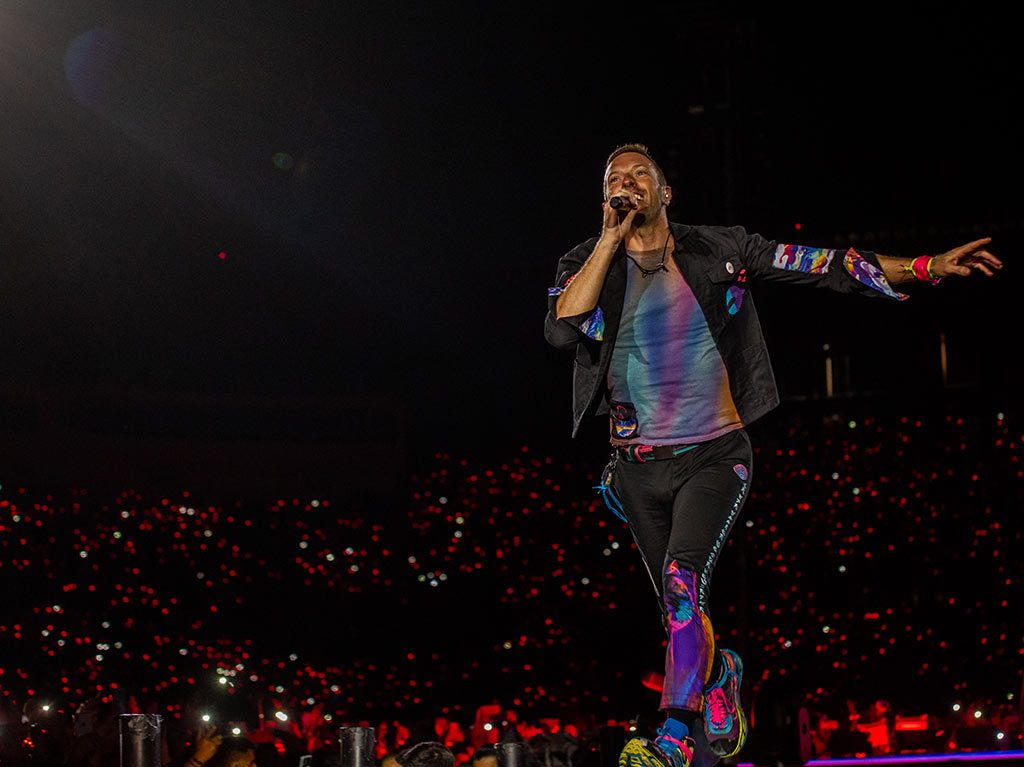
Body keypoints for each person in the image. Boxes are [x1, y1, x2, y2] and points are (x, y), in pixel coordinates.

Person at [543, 144, 1001, 767]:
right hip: (635, 469)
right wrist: (607, 239)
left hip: (713, 455)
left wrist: (927, 266)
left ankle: (673, 739)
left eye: (638, 176)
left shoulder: (719, 249)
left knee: (682, 586)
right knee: (682, 608)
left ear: (665, 193)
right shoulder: (584, 261)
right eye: (613, 179)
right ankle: (717, 677)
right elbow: (563, 327)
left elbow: (825, 265)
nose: (625, 184)